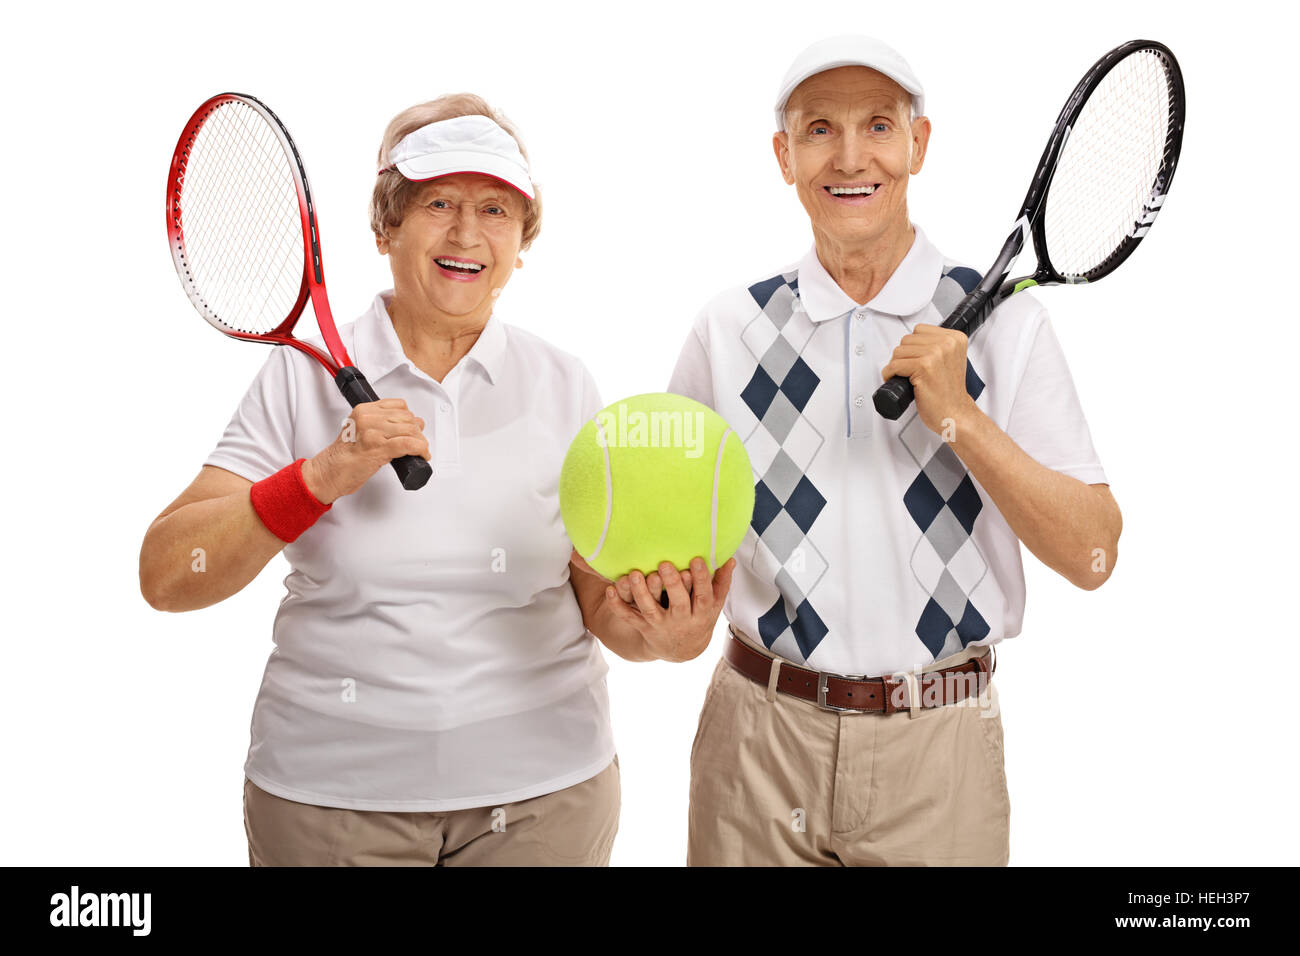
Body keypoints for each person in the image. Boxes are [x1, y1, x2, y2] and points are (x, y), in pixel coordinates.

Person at [139, 93, 730, 866]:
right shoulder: (299, 376)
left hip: (544, 802)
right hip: (331, 802)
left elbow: (594, 598)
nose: (465, 233)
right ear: (385, 226)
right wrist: (316, 478)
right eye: (437, 202)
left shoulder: (563, 384)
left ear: (522, 242)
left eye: (495, 209)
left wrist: (664, 640)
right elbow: (167, 573)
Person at [668, 36, 1122, 866]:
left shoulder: (1007, 322)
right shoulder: (726, 328)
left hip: (940, 751)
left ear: (918, 145)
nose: (850, 156)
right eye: (818, 130)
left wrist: (962, 419)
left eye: (878, 126)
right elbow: (673, 554)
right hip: (758, 743)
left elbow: (1094, 554)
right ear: (784, 155)